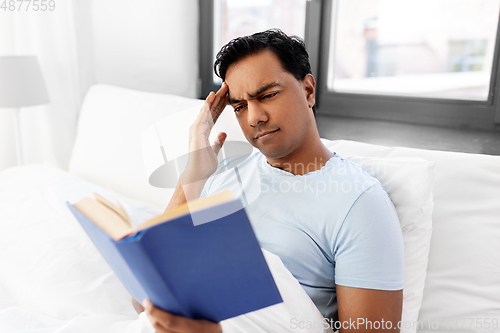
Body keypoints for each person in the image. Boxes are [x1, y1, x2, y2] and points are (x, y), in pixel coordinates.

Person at [137, 29, 404, 332]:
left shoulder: (359, 202)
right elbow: (148, 295)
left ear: (308, 91)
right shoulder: (220, 179)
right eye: (239, 106)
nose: (253, 117)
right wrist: (192, 175)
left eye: (267, 95)